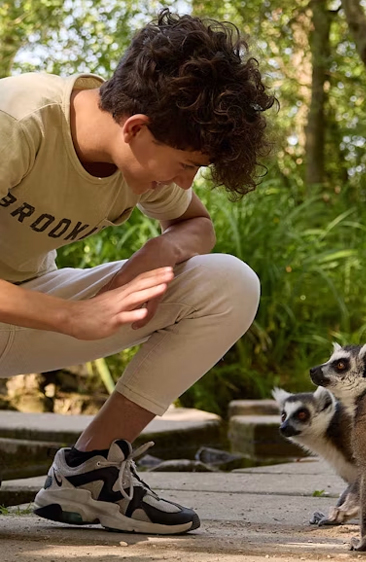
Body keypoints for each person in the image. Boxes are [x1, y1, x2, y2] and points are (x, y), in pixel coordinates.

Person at [0, 9, 276, 534]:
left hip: (21, 313)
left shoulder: (144, 154)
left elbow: (198, 226)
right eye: (188, 164)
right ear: (136, 128)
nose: (187, 179)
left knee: (227, 282)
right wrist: (72, 317)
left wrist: (162, 251)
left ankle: (90, 473)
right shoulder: (16, 118)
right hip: (43, 312)